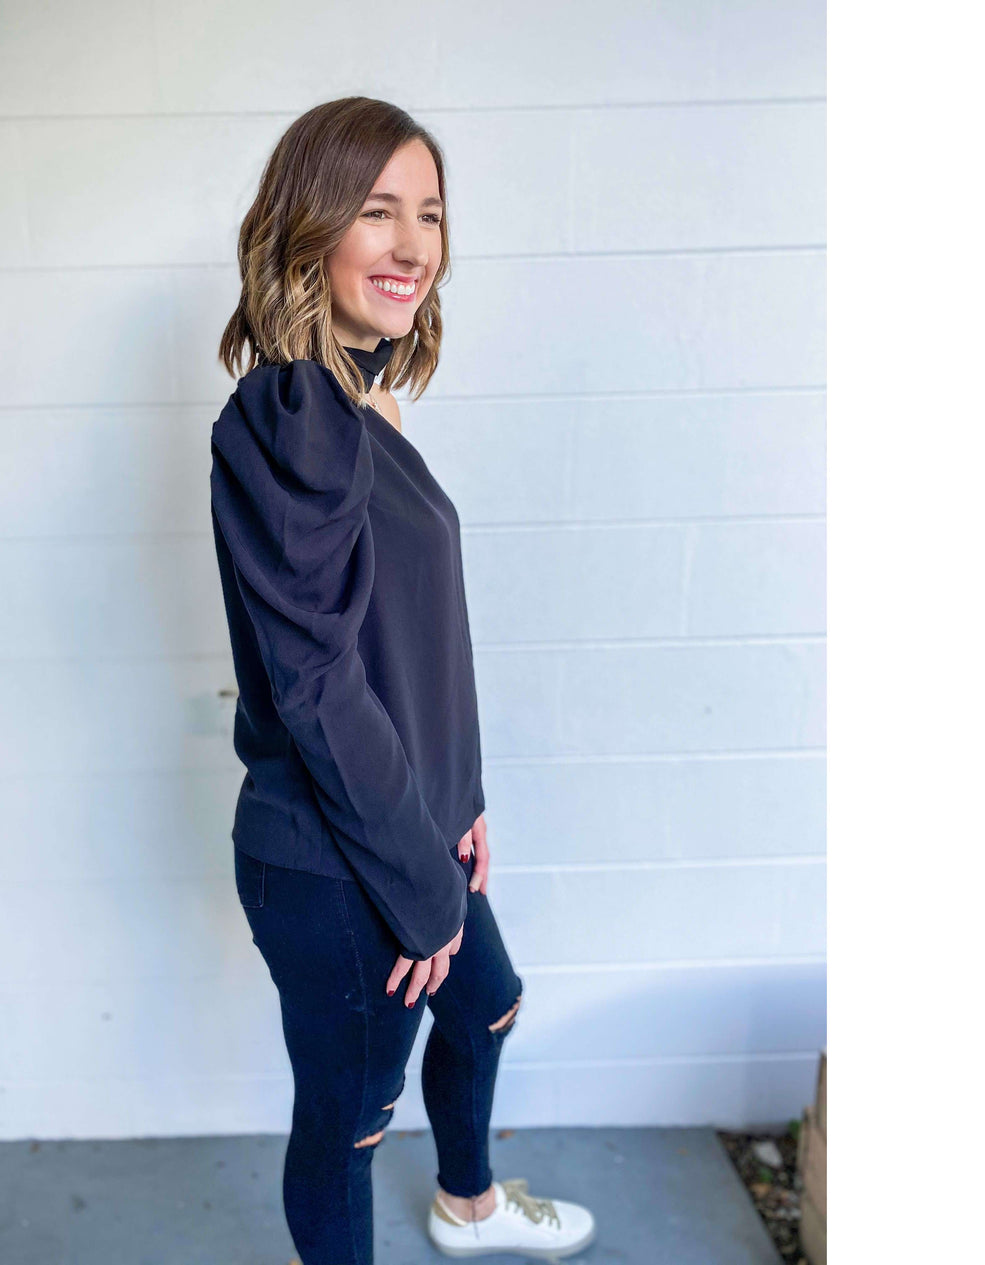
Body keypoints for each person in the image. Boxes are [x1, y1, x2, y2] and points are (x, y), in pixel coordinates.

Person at [209, 96, 597, 1264]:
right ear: (308, 225)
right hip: (338, 859)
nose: (413, 244)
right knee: (347, 1127)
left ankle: (465, 1208)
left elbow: (417, 633)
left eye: (427, 214)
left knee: (486, 1000)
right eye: (377, 211)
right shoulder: (289, 415)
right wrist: (421, 882)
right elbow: (317, 685)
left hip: (408, 826)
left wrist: (457, 796)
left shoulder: (361, 399)